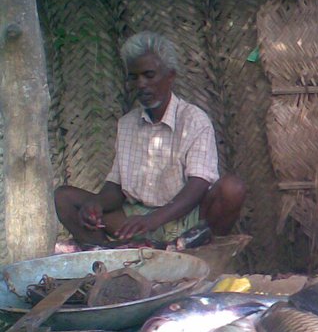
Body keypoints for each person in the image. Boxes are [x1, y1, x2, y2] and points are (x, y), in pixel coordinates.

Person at [54, 31, 246, 248]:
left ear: (170, 76)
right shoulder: (127, 124)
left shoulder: (194, 120)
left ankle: (189, 245)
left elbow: (199, 185)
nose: (141, 84)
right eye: (134, 77)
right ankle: (111, 255)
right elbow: (116, 187)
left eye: (149, 75)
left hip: (184, 218)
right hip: (135, 221)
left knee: (232, 188)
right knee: (64, 198)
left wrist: (153, 220)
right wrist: (96, 204)